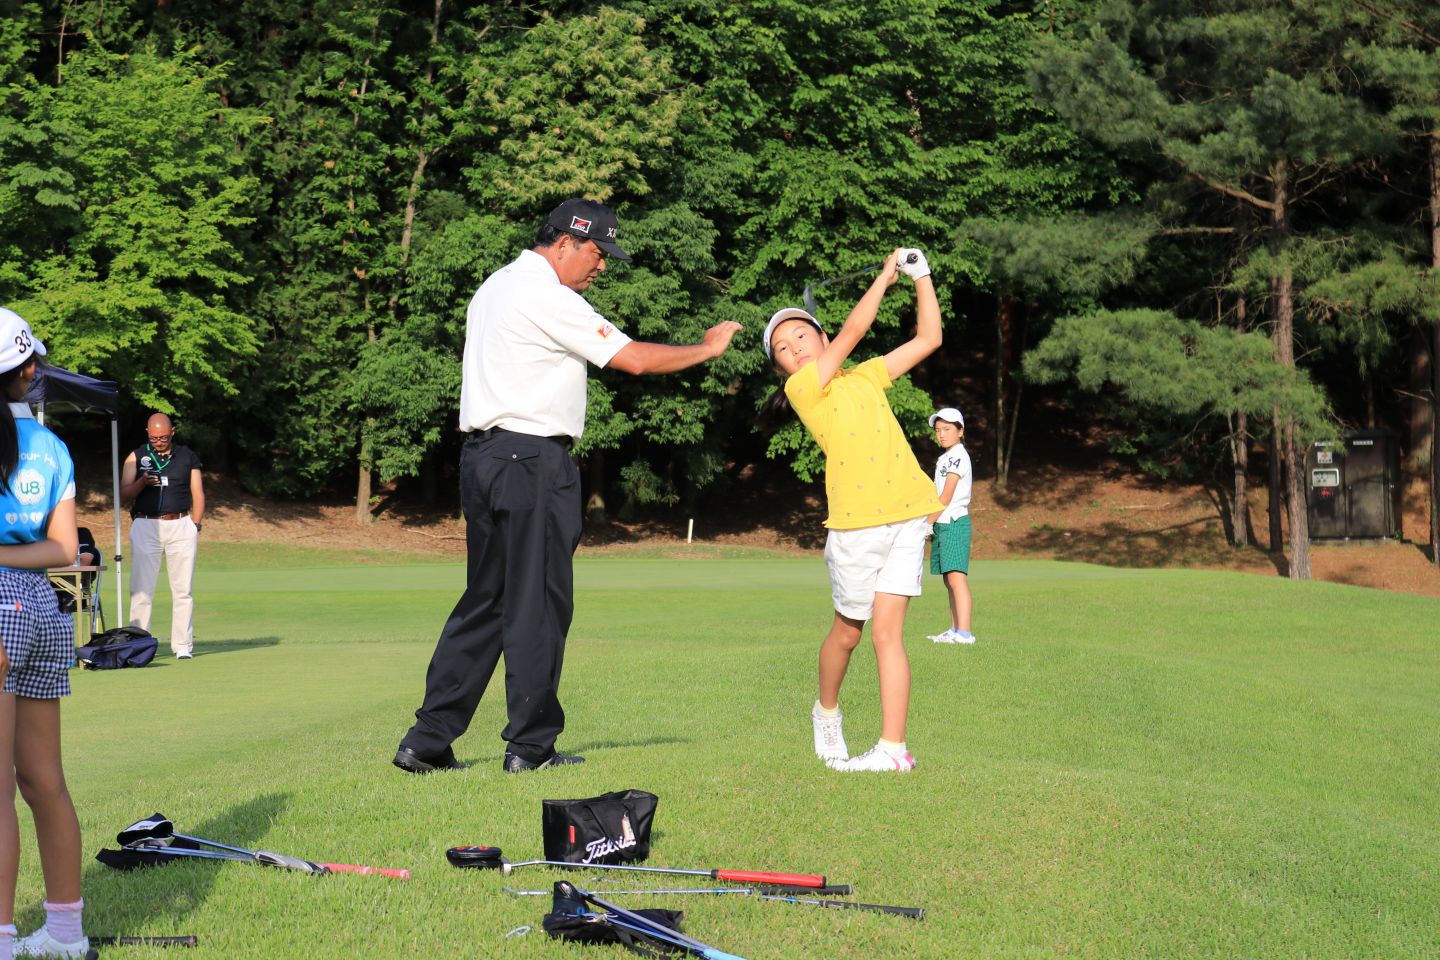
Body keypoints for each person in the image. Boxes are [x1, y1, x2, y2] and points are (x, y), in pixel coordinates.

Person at [395, 198, 741, 775]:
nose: (601, 266)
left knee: (486, 602)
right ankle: (530, 747)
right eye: (598, 253)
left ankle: (427, 741)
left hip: (483, 459)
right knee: (538, 603)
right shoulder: (548, 296)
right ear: (564, 243)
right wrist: (707, 349)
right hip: (531, 460)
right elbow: (633, 359)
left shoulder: (494, 287)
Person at [762, 247, 943, 773]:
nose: (794, 348)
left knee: (888, 634)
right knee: (848, 632)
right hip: (855, 526)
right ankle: (826, 711)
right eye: (782, 348)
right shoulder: (803, 388)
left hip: (907, 515)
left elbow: (929, 339)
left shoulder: (865, 377)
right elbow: (854, 331)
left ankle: (893, 750)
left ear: (818, 336)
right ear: (781, 368)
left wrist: (921, 275)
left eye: (801, 336)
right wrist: (884, 279)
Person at [0, 307, 88, 959]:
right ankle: (63, 934)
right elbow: (64, 550)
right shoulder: (51, 446)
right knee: (43, 781)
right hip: (41, 608)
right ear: (28, 371)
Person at [119, 414, 204, 660]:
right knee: (142, 589)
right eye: (154, 438)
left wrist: (195, 525)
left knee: (183, 589)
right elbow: (122, 495)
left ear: (172, 432)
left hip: (180, 524)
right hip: (146, 524)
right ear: (148, 433)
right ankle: (140, 644)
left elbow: (198, 493)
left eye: (163, 437)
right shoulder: (135, 456)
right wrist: (142, 483)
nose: (158, 441)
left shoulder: (187, 456)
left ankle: (183, 645)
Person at [925, 407, 976, 644]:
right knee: (949, 580)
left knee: (956, 579)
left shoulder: (958, 456)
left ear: (960, 431)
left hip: (954, 521)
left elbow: (946, 496)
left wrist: (928, 522)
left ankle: (964, 633)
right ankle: (955, 630)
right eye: (938, 430)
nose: (941, 434)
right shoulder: (945, 457)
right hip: (943, 523)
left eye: (947, 429)